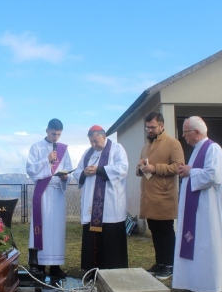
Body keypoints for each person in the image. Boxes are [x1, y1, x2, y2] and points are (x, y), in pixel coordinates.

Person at [172, 116, 222, 292]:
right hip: (196, 208)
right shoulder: (197, 150)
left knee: (207, 246)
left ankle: (211, 288)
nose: (183, 136)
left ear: (196, 132)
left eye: (185, 132)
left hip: (208, 208)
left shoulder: (213, 148)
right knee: (196, 245)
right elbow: (195, 172)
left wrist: (191, 172)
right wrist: (186, 171)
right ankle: (196, 283)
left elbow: (214, 175)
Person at [73, 125, 129, 270]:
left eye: (95, 141)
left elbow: (123, 168)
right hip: (91, 205)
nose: (93, 144)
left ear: (104, 137)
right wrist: (84, 173)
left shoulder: (117, 149)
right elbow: (77, 171)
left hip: (111, 204)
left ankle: (113, 270)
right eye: (91, 141)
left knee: (111, 240)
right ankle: (92, 270)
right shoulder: (88, 153)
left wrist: (99, 170)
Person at [136, 112, 184, 280]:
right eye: (147, 127)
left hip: (164, 195)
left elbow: (178, 167)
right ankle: (160, 263)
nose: (149, 130)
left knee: (165, 230)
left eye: (152, 127)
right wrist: (141, 166)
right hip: (149, 195)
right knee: (154, 230)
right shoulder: (145, 146)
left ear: (162, 126)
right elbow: (142, 171)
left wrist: (156, 168)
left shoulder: (173, 144)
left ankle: (170, 264)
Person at [26, 118, 72, 278]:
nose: (56, 138)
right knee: (41, 228)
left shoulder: (64, 149)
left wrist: (66, 177)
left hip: (57, 192)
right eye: (54, 134)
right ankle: (38, 264)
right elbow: (30, 170)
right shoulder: (36, 147)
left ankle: (55, 266)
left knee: (57, 229)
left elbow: (67, 167)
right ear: (47, 130)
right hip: (42, 193)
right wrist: (46, 161)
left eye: (59, 134)